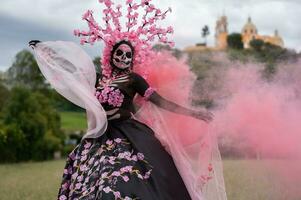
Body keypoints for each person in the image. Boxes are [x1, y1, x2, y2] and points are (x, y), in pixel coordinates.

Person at [29, 0, 227, 199]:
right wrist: (46, 52)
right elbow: (73, 70)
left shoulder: (134, 79)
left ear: (132, 59)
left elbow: (160, 102)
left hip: (129, 137)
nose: (123, 58)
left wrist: (194, 113)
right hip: (100, 136)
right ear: (111, 55)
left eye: (128, 55)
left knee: (122, 184)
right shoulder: (98, 79)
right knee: (93, 185)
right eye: (119, 53)